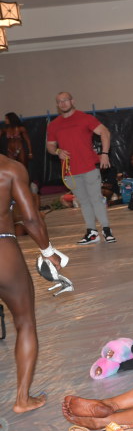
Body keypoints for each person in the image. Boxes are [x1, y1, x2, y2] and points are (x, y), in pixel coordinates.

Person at [0, 155, 62, 412]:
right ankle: (22, 399)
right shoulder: (9, 168)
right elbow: (31, 219)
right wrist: (48, 251)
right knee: (24, 322)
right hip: (3, 252)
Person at [45, 92, 116, 244]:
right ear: (57, 105)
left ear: (72, 101)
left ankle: (106, 230)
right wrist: (57, 151)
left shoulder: (84, 118)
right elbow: (50, 146)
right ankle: (92, 232)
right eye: (59, 101)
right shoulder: (54, 125)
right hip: (70, 170)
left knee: (96, 198)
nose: (63, 103)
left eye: (65, 100)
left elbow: (105, 132)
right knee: (83, 201)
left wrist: (104, 154)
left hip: (89, 166)